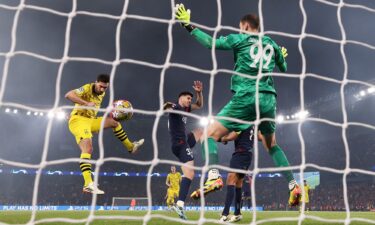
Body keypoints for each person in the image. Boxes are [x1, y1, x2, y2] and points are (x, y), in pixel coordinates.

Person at [175, 4, 301, 206]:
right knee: (272, 145)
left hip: (247, 96)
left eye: (240, 27)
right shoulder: (272, 44)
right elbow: (284, 68)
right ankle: (293, 184)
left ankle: (214, 175)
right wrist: (281, 56)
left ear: (245, 26)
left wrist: (188, 26)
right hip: (269, 100)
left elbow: (210, 43)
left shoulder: (240, 38)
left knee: (208, 134)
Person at [65, 74, 144, 194]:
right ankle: (88, 184)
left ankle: (131, 147)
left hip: (90, 121)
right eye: (100, 86)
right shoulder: (87, 87)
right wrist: (85, 103)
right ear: (96, 82)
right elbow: (69, 95)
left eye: (105, 88)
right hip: (79, 121)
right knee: (88, 148)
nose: (102, 89)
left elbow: (93, 110)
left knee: (114, 122)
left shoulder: (102, 93)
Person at [163, 80, 204, 219]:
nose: (190, 100)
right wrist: (166, 107)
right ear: (181, 98)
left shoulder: (185, 109)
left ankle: (214, 143)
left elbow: (199, 105)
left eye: (190, 99)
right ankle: (180, 205)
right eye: (188, 98)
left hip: (183, 141)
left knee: (200, 131)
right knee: (190, 174)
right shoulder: (176, 107)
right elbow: (168, 106)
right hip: (180, 144)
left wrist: (199, 92)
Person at [217, 127, 254, 223]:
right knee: (238, 183)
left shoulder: (242, 120)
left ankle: (225, 214)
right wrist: (226, 138)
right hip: (248, 154)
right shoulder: (251, 122)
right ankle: (237, 213)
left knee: (230, 180)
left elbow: (233, 136)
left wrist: (222, 139)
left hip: (240, 153)